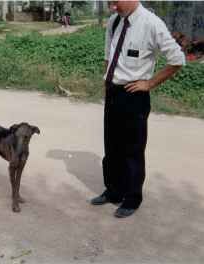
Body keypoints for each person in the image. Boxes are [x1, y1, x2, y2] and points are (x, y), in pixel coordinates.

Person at [90, 1, 185, 218]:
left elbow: (177, 59)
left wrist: (149, 83)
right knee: (112, 146)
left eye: (115, 1)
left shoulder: (152, 24)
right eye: (109, 2)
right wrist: (107, 83)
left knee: (132, 150)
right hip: (113, 92)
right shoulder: (114, 21)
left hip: (134, 95)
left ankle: (132, 198)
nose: (112, 7)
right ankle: (114, 191)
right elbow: (108, 55)